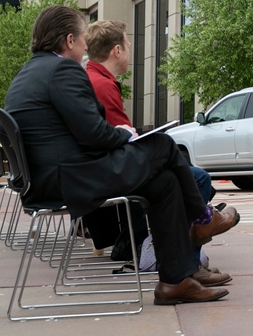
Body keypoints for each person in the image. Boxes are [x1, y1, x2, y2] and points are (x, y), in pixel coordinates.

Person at [3, 5, 235, 305]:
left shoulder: (27, 73)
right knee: (164, 145)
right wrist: (126, 135)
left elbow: (72, 132)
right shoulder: (62, 69)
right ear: (69, 40)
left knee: (164, 183)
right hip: (71, 179)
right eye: (83, 37)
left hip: (50, 178)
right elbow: (94, 134)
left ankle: (176, 281)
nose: (86, 45)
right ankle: (203, 219)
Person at [85, 20, 235, 285]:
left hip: (99, 168)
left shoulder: (94, 78)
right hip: (109, 172)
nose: (130, 51)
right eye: (128, 45)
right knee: (195, 176)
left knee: (178, 172)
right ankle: (189, 258)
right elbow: (120, 141)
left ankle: (185, 259)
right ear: (117, 50)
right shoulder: (103, 85)